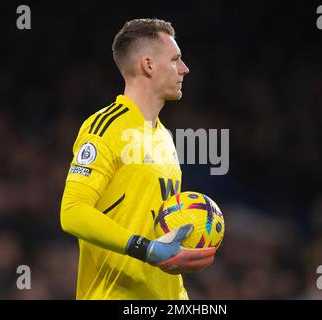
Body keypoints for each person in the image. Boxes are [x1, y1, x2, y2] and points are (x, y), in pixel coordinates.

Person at [60, 18, 216, 300]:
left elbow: (160, 228)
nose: (185, 68)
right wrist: (145, 248)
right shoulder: (106, 127)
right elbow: (72, 212)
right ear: (148, 65)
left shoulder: (165, 137)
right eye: (175, 59)